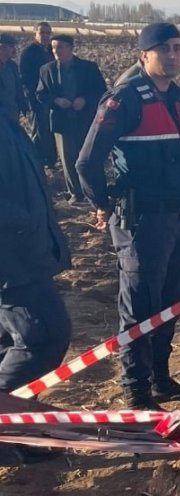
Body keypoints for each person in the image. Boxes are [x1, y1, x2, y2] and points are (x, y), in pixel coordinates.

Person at [76, 22, 180, 410]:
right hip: (142, 221)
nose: (173, 55)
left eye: (178, 48)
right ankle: (137, 391)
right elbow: (87, 162)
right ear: (143, 55)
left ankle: (161, 378)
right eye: (164, 49)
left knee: (168, 303)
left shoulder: (174, 98)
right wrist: (103, 204)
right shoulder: (125, 99)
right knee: (140, 308)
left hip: (177, 217)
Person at [0, 113, 72, 395]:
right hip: (12, 257)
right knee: (42, 338)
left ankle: (12, 433)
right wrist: (23, 220)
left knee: (9, 342)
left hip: (24, 250)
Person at [36, 35, 107, 203]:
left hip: (85, 120)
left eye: (60, 47)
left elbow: (101, 90)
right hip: (62, 122)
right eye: (53, 48)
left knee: (87, 157)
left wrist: (85, 100)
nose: (56, 51)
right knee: (68, 160)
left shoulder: (88, 68)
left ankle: (93, 192)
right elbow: (40, 94)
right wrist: (56, 100)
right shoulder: (47, 70)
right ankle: (76, 193)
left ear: (71, 48)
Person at [18, 22, 56, 169]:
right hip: (36, 99)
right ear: (35, 34)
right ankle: (38, 162)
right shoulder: (28, 53)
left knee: (51, 131)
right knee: (39, 133)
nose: (46, 36)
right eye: (42, 33)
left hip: (52, 99)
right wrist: (31, 100)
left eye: (48, 33)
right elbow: (25, 79)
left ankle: (51, 161)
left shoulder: (52, 51)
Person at [0, 34, 27, 123]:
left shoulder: (12, 66)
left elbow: (18, 89)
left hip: (12, 112)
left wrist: (23, 107)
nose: (14, 50)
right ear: (2, 47)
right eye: (11, 46)